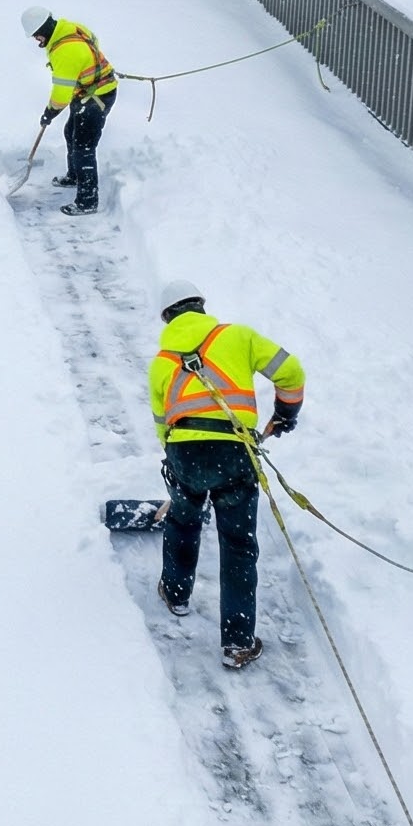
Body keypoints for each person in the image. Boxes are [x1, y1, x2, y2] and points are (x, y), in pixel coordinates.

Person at [147, 277, 306, 668]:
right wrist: (285, 414)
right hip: (234, 452)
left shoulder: (161, 364)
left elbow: (161, 425)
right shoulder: (238, 337)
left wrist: (185, 466)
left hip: (185, 452)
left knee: (184, 522)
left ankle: (175, 592)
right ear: (201, 305)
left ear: (167, 318)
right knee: (237, 543)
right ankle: (237, 642)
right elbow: (292, 372)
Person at [21, 7, 118, 216]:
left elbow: (61, 96)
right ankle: (75, 176)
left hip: (97, 96)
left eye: (36, 35)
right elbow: (94, 43)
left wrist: (49, 113)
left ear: (44, 29)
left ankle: (87, 201)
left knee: (84, 147)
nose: (37, 41)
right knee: (70, 132)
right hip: (87, 92)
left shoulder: (64, 51)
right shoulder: (70, 28)